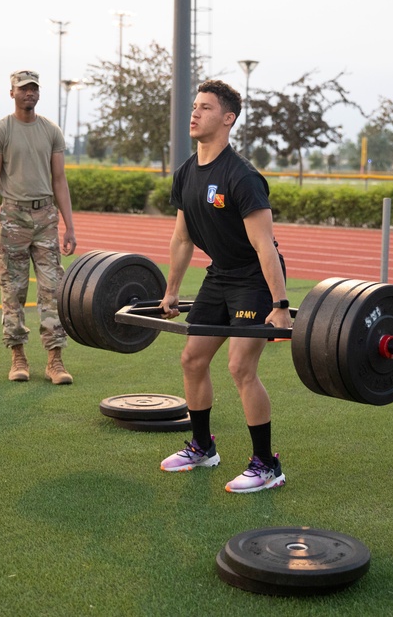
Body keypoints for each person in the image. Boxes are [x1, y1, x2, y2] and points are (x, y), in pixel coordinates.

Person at [158, 79, 292, 494]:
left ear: (228, 118)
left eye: (206, 108)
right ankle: (202, 447)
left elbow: (264, 246)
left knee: (240, 367)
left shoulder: (243, 177)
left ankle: (267, 465)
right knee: (192, 359)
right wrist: (171, 290)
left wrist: (281, 303)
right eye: (194, 106)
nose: (194, 114)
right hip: (219, 275)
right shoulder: (185, 173)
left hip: (253, 277)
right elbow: (182, 238)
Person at [0, 70, 76, 384]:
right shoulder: (1, 131)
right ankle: (18, 357)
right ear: (12, 93)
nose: (29, 93)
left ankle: (55, 361)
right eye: (23, 89)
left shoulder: (51, 131)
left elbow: (60, 180)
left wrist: (69, 226)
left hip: (46, 218)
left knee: (53, 290)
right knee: (13, 291)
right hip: (13, 219)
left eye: (34, 88)